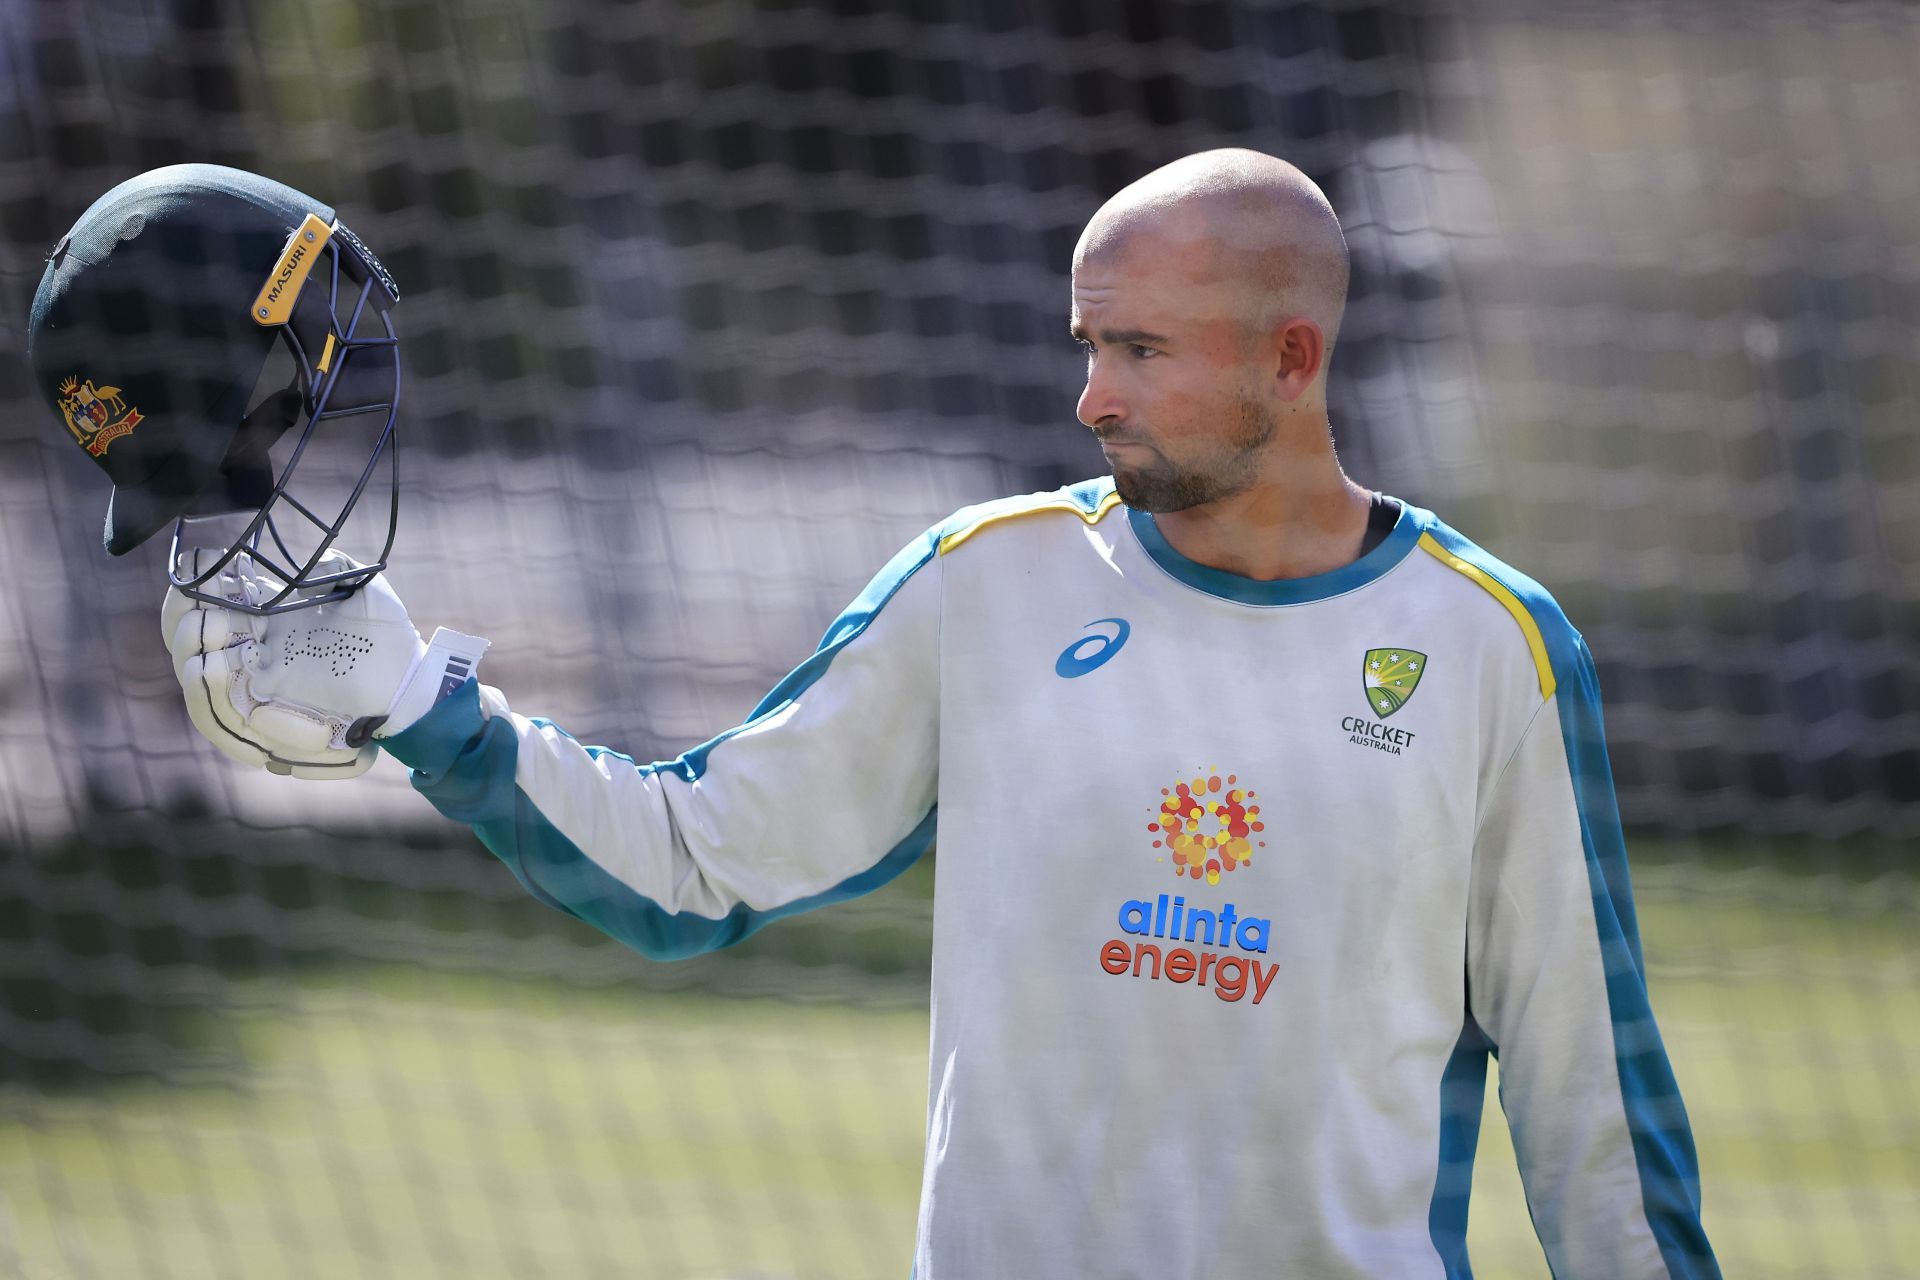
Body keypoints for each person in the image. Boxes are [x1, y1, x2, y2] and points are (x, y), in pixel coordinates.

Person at [161, 149, 1719, 1278]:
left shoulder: (1492, 644)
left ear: (1290, 359)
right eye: (1088, 342)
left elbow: (1591, 1101)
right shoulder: (985, 586)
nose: (1092, 395)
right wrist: (421, 705)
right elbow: (694, 866)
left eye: (1142, 348)